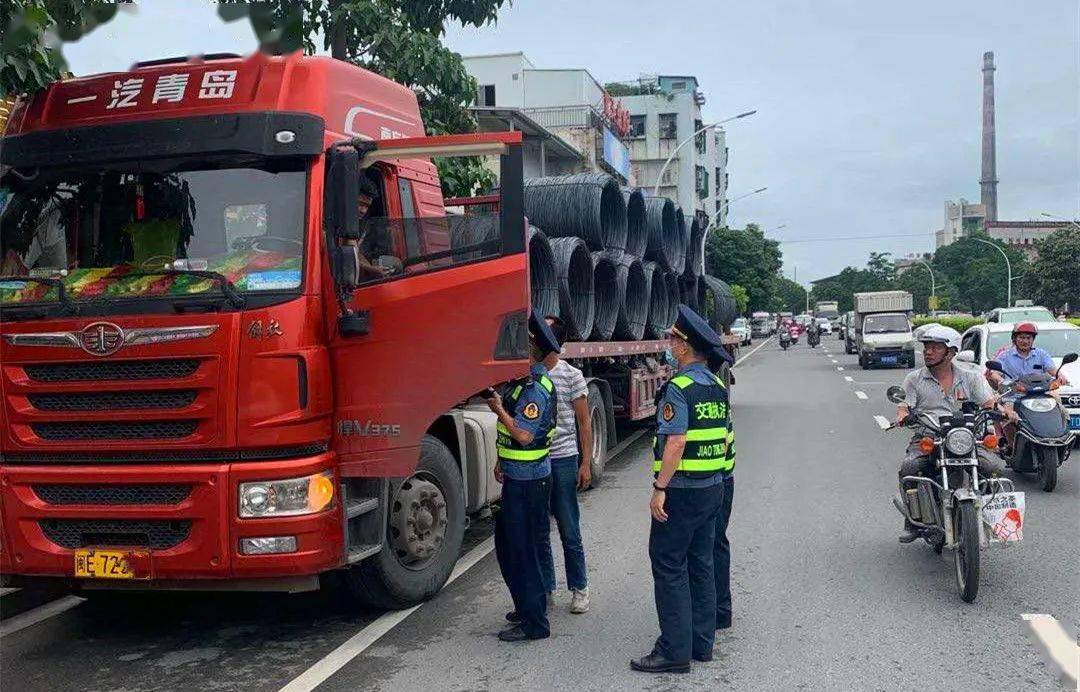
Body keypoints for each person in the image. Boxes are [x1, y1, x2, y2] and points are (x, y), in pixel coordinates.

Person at [631, 305, 731, 674]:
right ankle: (701, 644)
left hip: (683, 490)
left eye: (674, 338)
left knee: (669, 565)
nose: (669, 343)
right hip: (713, 487)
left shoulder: (679, 387)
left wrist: (660, 488)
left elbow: (675, 442)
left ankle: (673, 651)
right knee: (701, 564)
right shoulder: (716, 385)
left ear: (686, 347)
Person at [487, 309, 560, 642]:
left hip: (531, 481)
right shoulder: (521, 380)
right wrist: (502, 459)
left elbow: (525, 436)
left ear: (532, 347)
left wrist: (499, 411)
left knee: (525, 550)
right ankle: (526, 606)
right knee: (509, 546)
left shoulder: (535, 387)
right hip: (517, 476)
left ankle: (535, 624)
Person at [894, 324, 1005, 542]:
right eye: (926, 347)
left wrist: (1004, 412)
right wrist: (903, 416)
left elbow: (989, 402)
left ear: (951, 352)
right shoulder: (914, 379)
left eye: (935, 347)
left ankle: (996, 519)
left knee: (994, 469)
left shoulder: (970, 377)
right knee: (910, 468)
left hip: (965, 437)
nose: (928, 351)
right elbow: (903, 408)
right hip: (929, 436)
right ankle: (912, 520)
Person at [536, 315, 592, 615]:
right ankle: (546, 589)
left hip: (563, 459)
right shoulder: (530, 375)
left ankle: (580, 587)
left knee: (569, 527)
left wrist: (586, 462)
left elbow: (584, 423)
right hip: (535, 462)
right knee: (540, 529)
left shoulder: (571, 375)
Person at [985, 322, 1068, 387]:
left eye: (1028, 338)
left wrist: (1060, 376)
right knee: (1007, 408)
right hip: (1014, 396)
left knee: (1057, 403)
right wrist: (1001, 381)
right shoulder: (1005, 355)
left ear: (1033, 340)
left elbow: (1052, 369)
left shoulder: (1041, 354)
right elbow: (994, 373)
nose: (1025, 341)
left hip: (1041, 394)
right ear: (1015, 339)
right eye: (1021, 337)